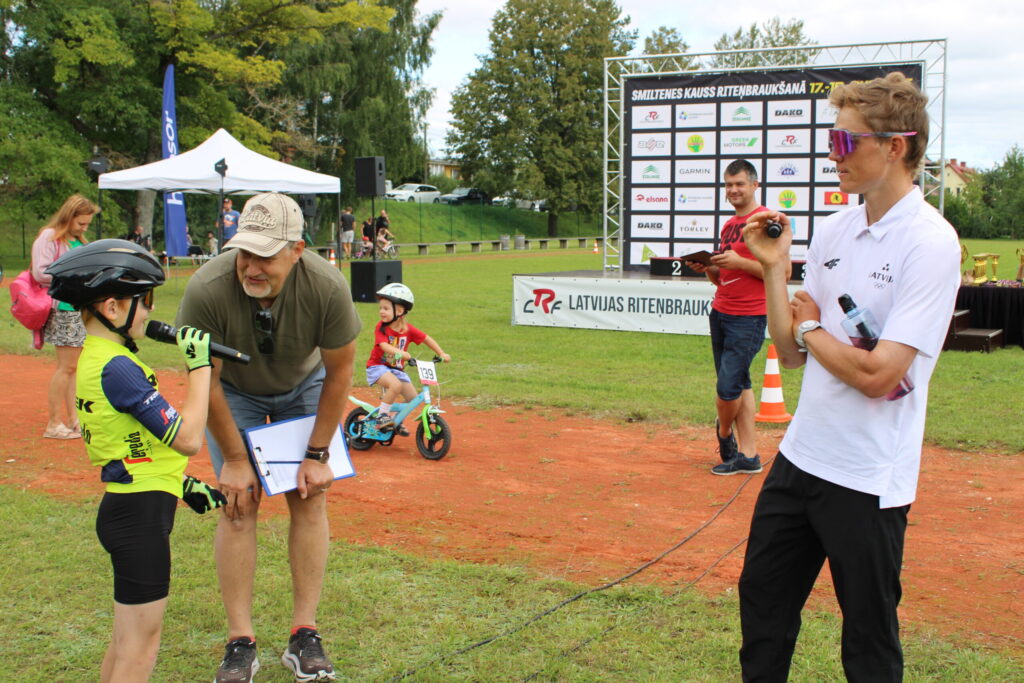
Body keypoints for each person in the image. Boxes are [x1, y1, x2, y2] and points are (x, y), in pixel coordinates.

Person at [737, 72, 960, 681]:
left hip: (868, 478)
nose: (832, 155)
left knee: (868, 641)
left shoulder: (931, 243)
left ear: (895, 146)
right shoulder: (836, 229)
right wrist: (776, 271)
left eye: (845, 143)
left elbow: (878, 374)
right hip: (803, 459)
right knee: (762, 607)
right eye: (832, 141)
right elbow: (790, 353)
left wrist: (812, 331)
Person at [176, 192, 361, 683]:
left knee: (310, 496)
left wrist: (319, 453)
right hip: (234, 394)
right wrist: (235, 459)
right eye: (244, 252)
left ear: (297, 250)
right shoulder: (207, 288)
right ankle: (241, 642)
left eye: (265, 254)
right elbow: (206, 379)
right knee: (237, 504)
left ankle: (305, 634)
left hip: (306, 386)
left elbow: (341, 372)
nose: (250, 266)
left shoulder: (326, 286)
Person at [44, 238, 224, 682]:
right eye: (143, 302)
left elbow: (125, 444)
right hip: (138, 518)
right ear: (111, 307)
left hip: (132, 505)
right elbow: (187, 439)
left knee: (126, 643)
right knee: (140, 650)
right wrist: (200, 370)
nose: (148, 312)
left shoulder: (101, 358)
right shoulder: (118, 367)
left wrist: (179, 484)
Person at [686, 159, 778, 476]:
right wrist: (710, 268)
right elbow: (721, 278)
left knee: (727, 389)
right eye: (728, 184)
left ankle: (724, 435)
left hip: (748, 317)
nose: (733, 190)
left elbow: (781, 272)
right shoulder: (729, 226)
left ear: (755, 185)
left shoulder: (766, 222)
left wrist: (739, 262)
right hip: (721, 310)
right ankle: (749, 456)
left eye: (739, 183)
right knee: (741, 384)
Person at [31, 193, 98, 439]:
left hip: (78, 309)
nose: (84, 228)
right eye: (81, 223)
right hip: (63, 309)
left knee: (74, 367)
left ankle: (73, 419)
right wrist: (73, 275)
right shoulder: (49, 237)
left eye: (87, 224)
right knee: (65, 367)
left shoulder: (76, 239)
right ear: (69, 217)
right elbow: (40, 272)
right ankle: (53, 423)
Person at [365, 283, 450, 434]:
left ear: (399, 311)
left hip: (396, 370)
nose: (381, 312)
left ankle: (397, 421)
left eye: (385, 308)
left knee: (412, 397)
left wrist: (441, 353)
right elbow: (384, 346)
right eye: (381, 308)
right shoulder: (381, 327)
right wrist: (400, 353)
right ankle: (382, 417)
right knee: (395, 386)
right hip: (377, 367)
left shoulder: (408, 330)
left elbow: (426, 339)